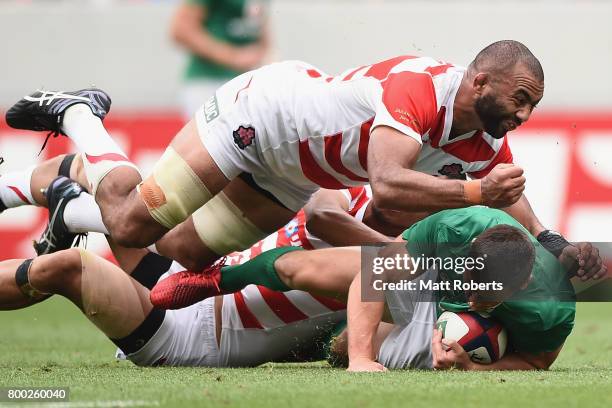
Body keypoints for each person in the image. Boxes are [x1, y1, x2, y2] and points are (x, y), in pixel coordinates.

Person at [5, 40, 541, 311]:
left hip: (293, 175)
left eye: (531, 106)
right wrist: (474, 191)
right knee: (128, 228)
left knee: (182, 251)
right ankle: (79, 116)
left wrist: (551, 240)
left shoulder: (487, 137)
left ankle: (64, 198)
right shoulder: (419, 88)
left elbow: (509, 191)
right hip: (258, 118)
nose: (523, 116)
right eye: (518, 100)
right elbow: (387, 181)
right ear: (480, 82)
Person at [170, 0, 271, 119]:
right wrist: (233, 57)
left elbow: (258, 21)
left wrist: (266, 56)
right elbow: (181, 30)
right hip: (208, 82)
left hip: (245, 84)